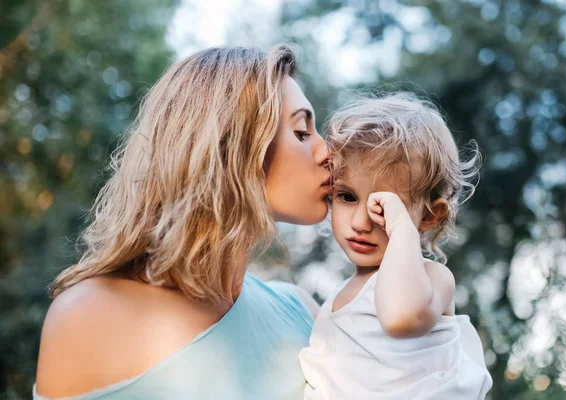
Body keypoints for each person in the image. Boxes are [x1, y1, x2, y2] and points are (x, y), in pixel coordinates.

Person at [34, 45, 329, 399]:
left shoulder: (304, 313)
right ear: (231, 144)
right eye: (301, 132)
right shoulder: (89, 315)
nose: (327, 151)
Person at [299, 93, 493, 399]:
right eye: (347, 197)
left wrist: (403, 228)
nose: (362, 222)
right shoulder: (336, 297)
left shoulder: (433, 279)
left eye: (387, 207)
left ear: (430, 215)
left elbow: (401, 317)